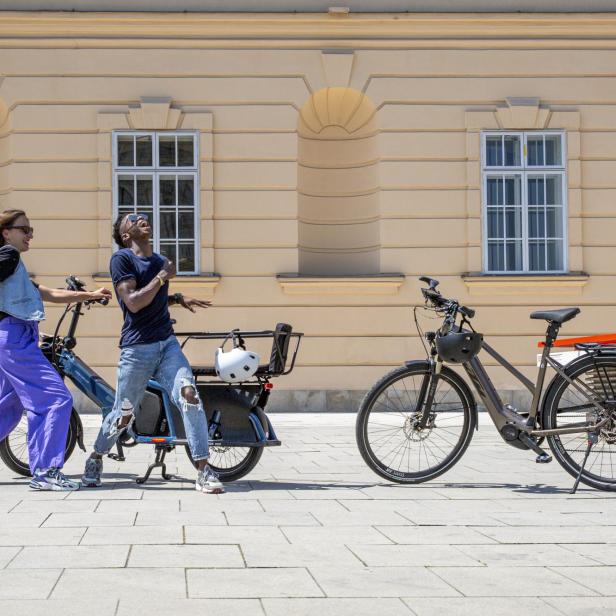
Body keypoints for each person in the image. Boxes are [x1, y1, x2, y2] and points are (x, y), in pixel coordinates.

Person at [82, 212, 224, 494]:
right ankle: (97, 456)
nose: (142, 218)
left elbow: (153, 297)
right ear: (125, 235)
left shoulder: (160, 261)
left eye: (144, 216)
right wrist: (162, 278)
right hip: (137, 349)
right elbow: (133, 303)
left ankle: (203, 470)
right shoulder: (122, 259)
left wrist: (176, 298)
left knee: (189, 396)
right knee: (123, 414)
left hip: (166, 343)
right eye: (133, 219)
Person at [0, 209, 112, 490]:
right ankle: (46, 472)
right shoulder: (8, 255)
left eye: (31, 229)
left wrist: (90, 295)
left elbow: (49, 293)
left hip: (15, 336)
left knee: (8, 408)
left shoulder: (15, 267)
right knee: (55, 399)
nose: (30, 235)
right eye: (24, 229)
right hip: (13, 339)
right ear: (6, 232)